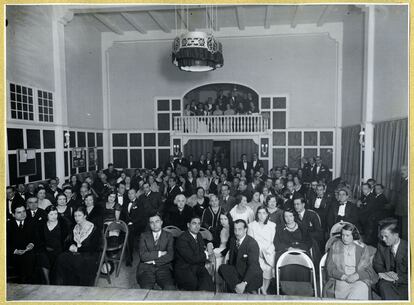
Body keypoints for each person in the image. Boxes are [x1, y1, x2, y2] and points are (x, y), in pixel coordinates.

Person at [324, 223, 378, 300]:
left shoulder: (362, 248)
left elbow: (369, 270)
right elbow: (330, 268)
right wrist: (344, 277)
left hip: (358, 280)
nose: (344, 238)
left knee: (361, 289)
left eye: (347, 235)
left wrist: (357, 276)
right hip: (340, 279)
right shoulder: (335, 246)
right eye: (343, 235)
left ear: (354, 236)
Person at [55, 206, 100, 286]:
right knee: (61, 257)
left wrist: (78, 250)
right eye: (75, 216)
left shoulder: (93, 228)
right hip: (78, 253)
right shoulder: (75, 227)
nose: (77, 218)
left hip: (89, 254)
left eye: (79, 215)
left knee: (77, 261)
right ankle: (67, 284)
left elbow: (93, 247)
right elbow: (69, 241)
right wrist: (71, 245)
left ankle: (80, 287)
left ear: (85, 216)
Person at [218, 219, 262, 294]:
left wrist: (244, 283)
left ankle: (240, 290)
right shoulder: (233, 240)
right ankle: (241, 291)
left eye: (239, 229)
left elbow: (253, 266)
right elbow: (228, 249)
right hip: (237, 273)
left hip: (251, 275)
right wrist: (220, 253)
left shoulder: (252, 243)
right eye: (235, 229)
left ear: (245, 229)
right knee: (222, 268)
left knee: (235, 285)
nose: (237, 232)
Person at [273, 208, 313, 289]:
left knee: (303, 267)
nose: (288, 219)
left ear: (294, 216)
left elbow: (309, 242)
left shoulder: (303, 227)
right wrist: (288, 248)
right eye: (286, 216)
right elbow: (277, 243)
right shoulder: (279, 229)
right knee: (286, 268)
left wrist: (299, 249)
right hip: (286, 254)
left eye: (290, 216)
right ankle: (286, 289)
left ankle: (303, 289)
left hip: (302, 253)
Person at [174, 216, 215, 291]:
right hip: (184, 270)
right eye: (194, 223)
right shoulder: (182, 239)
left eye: (199, 224)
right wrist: (206, 254)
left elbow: (200, 251)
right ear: (188, 225)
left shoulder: (198, 235)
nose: (197, 226)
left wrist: (209, 244)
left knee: (209, 284)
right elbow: (192, 258)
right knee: (196, 287)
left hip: (197, 267)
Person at [137, 212, 175, 290]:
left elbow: (170, 255)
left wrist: (154, 261)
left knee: (169, 288)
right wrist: (160, 253)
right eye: (152, 222)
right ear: (149, 224)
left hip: (164, 267)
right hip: (146, 268)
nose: (155, 225)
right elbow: (143, 256)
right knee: (146, 289)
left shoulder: (169, 236)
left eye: (157, 221)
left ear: (161, 222)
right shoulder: (143, 236)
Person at [373, 222, 408, 300]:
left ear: (396, 235)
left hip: (405, 282)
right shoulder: (381, 245)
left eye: (386, 236)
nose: (383, 239)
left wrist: (397, 278)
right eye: (382, 236)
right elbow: (377, 264)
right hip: (387, 281)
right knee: (383, 285)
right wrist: (386, 273)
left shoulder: (408, 248)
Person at [37, 205, 69, 284]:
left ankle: (57, 283)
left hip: (60, 249)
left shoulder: (63, 224)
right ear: (47, 215)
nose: (54, 216)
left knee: (58, 259)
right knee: (42, 257)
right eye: (51, 214)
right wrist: (44, 247)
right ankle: (47, 283)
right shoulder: (41, 224)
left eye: (55, 214)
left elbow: (67, 240)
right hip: (46, 249)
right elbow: (39, 240)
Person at [247, 207, 276, 294]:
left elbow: (273, 241)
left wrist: (267, 252)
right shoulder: (251, 225)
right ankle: (260, 288)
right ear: (257, 214)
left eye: (264, 213)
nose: (261, 215)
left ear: (267, 214)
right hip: (255, 251)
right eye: (259, 213)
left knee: (268, 266)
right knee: (257, 265)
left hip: (268, 251)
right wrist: (258, 252)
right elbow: (250, 241)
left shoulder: (272, 225)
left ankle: (264, 290)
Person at [7, 203, 37, 283]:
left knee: (30, 258)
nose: (22, 214)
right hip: (13, 253)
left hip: (28, 252)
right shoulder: (8, 225)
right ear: (13, 214)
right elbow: (4, 244)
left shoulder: (32, 222)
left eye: (24, 211)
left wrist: (32, 244)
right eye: (19, 212)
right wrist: (15, 251)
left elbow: (36, 238)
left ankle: (27, 284)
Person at [120, 188, 146, 266]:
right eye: (129, 194)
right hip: (127, 224)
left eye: (132, 193)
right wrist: (123, 223)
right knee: (125, 232)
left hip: (138, 225)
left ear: (135, 194)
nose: (130, 195)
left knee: (129, 234)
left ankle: (129, 258)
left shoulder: (140, 203)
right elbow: (123, 215)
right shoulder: (126, 203)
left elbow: (141, 216)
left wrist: (132, 222)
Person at [395, 165, 408, 240]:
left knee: (405, 232)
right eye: (401, 170)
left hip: (406, 211)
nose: (402, 172)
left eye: (405, 170)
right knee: (402, 230)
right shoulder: (403, 180)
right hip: (401, 210)